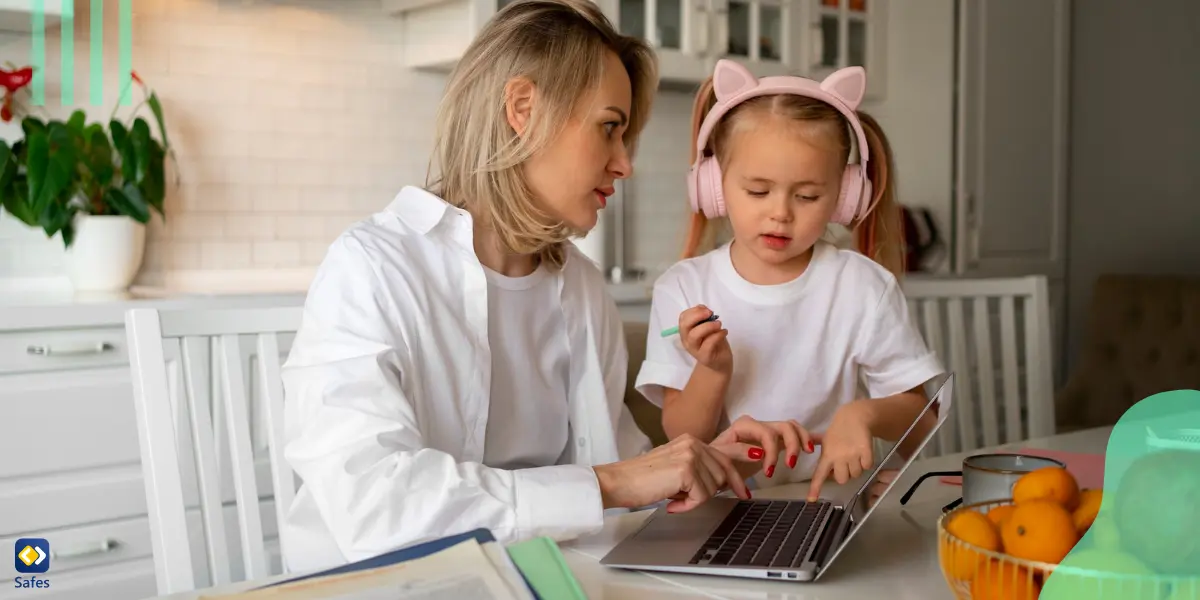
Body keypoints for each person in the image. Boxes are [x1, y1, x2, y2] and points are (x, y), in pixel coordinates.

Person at [277, 0, 765, 573]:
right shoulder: (372, 267)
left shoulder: (579, 287)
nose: (624, 164)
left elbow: (617, 465)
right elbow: (374, 503)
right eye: (609, 128)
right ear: (523, 108)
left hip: (539, 575)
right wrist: (610, 483)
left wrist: (697, 462)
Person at [634, 59, 947, 505]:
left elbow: (922, 419)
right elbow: (682, 435)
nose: (780, 212)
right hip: (726, 507)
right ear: (714, 186)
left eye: (807, 196)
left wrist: (864, 415)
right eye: (758, 191)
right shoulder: (682, 288)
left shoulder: (862, 287)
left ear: (844, 196)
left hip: (829, 502)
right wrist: (713, 369)